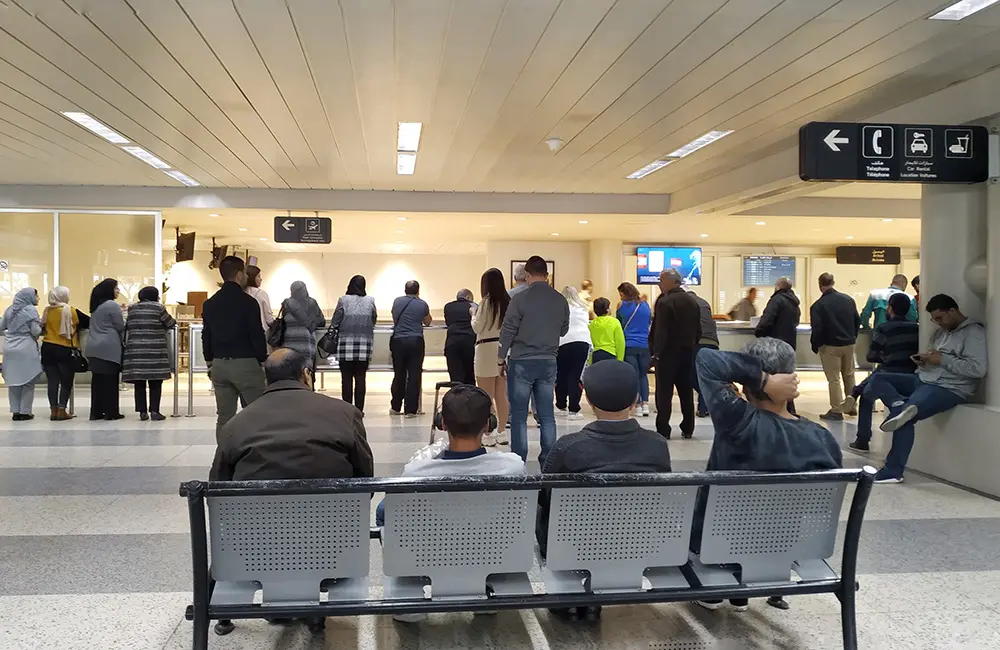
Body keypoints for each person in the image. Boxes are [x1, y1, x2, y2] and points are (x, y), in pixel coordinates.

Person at [210, 347, 374, 636]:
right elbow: (365, 481)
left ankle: (259, 606)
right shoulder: (344, 413)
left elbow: (218, 492)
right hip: (333, 550)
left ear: (266, 378)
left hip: (254, 551)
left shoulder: (237, 424)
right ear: (306, 374)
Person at [694, 339, 842, 612]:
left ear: (744, 382)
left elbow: (705, 359)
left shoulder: (737, 422)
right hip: (785, 547)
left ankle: (717, 586)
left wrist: (760, 379)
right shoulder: (822, 438)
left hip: (719, 545)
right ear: (792, 379)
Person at [376, 383, 524, 623]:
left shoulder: (417, 472)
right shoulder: (513, 466)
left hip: (428, 555)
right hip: (491, 554)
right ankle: (483, 584)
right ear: (488, 425)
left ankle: (409, 584)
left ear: (442, 423)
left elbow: (389, 510)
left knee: (384, 510)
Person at [537, 359, 671, 622]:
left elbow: (545, 497)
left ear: (588, 399)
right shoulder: (657, 446)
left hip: (573, 546)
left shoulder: (568, 447)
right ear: (635, 400)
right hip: (639, 543)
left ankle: (573, 595)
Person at [865, 294, 987, 484]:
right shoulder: (940, 333)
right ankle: (900, 406)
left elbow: (978, 369)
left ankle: (893, 471)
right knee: (877, 379)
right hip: (923, 378)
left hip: (949, 387)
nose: (938, 323)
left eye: (940, 318)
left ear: (953, 311)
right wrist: (926, 359)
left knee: (905, 419)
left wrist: (943, 360)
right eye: (934, 319)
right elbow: (935, 356)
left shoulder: (973, 333)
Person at [499, 255, 569, 465]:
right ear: (547, 276)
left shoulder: (519, 299)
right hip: (548, 361)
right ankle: (548, 459)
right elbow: (564, 329)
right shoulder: (560, 299)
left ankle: (519, 459)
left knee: (519, 415)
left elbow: (508, 330)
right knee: (547, 413)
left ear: (527, 275)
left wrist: (500, 358)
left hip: (522, 361)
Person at [202, 256, 268, 433]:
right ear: (239, 275)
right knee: (257, 414)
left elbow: (206, 335)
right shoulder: (248, 303)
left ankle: (225, 455)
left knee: (224, 416)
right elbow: (256, 334)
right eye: (245, 273)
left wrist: (210, 362)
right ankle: (255, 454)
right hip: (246, 364)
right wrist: (262, 360)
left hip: (219, 364)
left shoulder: (210, 304)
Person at [849, 293, 920, 453]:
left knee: (867, 396)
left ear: (890, 308)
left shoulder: (884, 328)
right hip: (910, 373)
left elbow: (872, 355)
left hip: (888, 373)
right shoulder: (917, 328)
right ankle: (856, 391)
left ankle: (863, 439)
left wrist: (885, 356)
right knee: (877, 376)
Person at [649, 268, 701, 439]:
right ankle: (688, 427)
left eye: (661, 280)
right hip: (687, 353)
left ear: (671, 282)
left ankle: (664, 429)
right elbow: (698, 331)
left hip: (667, 355)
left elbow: (661, 331)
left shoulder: (665, 302)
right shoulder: (692, 301)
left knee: (664, 393)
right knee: (686, 391)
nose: (659, 283)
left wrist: (656, 354)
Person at [809, 273, 861, 421]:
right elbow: (857, 321)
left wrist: (816, 344)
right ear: (833, 282)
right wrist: (852, 337)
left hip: (830, 346)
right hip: (849, 344)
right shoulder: (848, 300)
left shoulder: (818, 305)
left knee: (834, 379)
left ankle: (837, 410)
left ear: (820, 285)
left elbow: (817, 328)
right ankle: (851, 407)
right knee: (849, 375)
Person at [122, 287, 177, 421]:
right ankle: (155, 411)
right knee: (155, 382)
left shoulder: (132, 309)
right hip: (154, 351)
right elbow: (170, 323)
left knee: (139, 383)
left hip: (135, 351)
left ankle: (142, 412)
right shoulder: (158, 308)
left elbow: (128, 325)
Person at [472, 268, 511, 446]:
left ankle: (488, 433)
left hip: (485, 349)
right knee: (501, 395)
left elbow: (477, 327)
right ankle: (502, 432)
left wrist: (473, 315)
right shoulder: (507, 302)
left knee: (486, 395)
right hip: (503, 349)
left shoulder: (485, 302)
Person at [40, 286, 89, 421]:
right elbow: (88, 322)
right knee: (66, 381)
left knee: (52, 382)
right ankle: (62, 410)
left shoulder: (47, 311)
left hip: (47, 348)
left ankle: (53, 410)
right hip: (64, 348)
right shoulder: (71, 311)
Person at [331, 275, 377, 413]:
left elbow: (335, 321)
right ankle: (359, 410)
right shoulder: (370, 301)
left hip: (345, 345)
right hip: (364, 346)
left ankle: (347, 409)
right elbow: (373, 319)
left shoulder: (343, 300)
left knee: (346, 379)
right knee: (361, 379)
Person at [754, 277, 800, 414]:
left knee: (773, 377)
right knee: (787, 375)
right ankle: (789, 408)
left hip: (775, 345)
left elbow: (767, 320)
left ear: (778, 287)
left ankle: (772, 407)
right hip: (789, 344)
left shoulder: (776, 300)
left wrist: (759, 332)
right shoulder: (794, 303)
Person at [390, 280, 432, 418]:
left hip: (398, 341)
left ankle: (395, 407)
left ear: (405, 290)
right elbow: (427, 321)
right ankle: (411, 410)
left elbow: (395, 318)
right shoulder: (422, 304)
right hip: (416, 341)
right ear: (418, 290)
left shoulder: (397, 302)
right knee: (414, 375)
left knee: (399, 373)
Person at [0, 288, 43, 421]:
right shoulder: (30, 310)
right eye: (37, 296)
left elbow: (1, 326)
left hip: (9, 347)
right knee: (28, 381)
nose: (38, 299)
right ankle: (25, 411)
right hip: (25, 347)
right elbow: (35, 331)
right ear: (29, 297)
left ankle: (15, 411)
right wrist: (43, 326)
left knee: (13, 381)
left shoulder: (9, 309)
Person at [86, 279, 125, 421]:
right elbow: (120, 325)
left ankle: (96, 412)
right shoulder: (111, 305)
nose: (118, 291)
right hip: (109, 346)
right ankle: (111, 411)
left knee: (97, 381)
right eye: (116, 288)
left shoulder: (96, 305)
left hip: (93, 345)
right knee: (110, 380)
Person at [556, 286, 591, 422]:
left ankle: (561, 405)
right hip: (582, 342)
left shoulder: (559, 308)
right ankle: (574, 409)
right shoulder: (583, 308)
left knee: (562, 374)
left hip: (562, 342)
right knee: (575, 376)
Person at [617, 282, 652, 417]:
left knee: (634, 375)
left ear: (625, 294)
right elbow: (649, 322)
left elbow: (619, 324)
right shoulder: (645, 305)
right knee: (643, 375)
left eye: (621, 295)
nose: (620, 298)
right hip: (644, 346)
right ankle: (645, 405)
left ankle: (636, 405)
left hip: (629, 345)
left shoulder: (621, 306)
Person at [280, 281, 326, 369]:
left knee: (292, 372)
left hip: (290, 343)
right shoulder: (312, 303)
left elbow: (284, 322)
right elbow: (321, 321)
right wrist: (311, 324)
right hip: (307, 343)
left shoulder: (287, 303)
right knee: (306, 372)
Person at [689, 290, 719, 418]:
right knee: (707, 375)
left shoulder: (688, 304)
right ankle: (704, 407)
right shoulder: (705, 303)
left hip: (698, 342)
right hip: (713, 342)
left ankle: (704, 404)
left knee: (691, 376)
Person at [443, 289, 477, 385]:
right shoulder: (473, 306)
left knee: (455, 377)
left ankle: (456, 397)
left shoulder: (448, 307)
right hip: (469, 342)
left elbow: (448, 322)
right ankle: (470, 398)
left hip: (452, 343)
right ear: (468, 297)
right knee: (469, 374)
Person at [589, 297, 625, 363]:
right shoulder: (614, 322)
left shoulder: (592, 324)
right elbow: (620, 342)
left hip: (596, 355)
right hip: (610, 355)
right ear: (607, 309)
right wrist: (620, 360)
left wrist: (590, 361)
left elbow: (591, 344)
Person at [244, 265, 274, 335]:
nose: (261, 279)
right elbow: (269, 319)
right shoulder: (261, 293)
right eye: (258, 276)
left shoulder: (240, 292)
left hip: (244, 332)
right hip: (261, 331)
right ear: (252, 278)